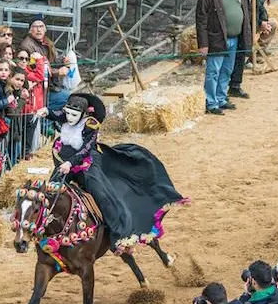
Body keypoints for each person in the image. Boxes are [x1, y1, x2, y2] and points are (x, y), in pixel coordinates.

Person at [36, 94, 186, 254]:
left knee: (103, 197)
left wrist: (70, 163)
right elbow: (58, 114)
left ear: (84, 115)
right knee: (49, 194)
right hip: (63, 165)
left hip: (85, 166)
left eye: (74, 115)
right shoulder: (66, 116)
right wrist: (46, 111)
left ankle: (118, 236)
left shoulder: (90, 125)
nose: (70, 117)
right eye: (68, 113)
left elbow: (86, 148)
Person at [196, 0, 251, 115]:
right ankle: (211, 102)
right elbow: (201, 20)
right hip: (217, 38)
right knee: (213, 71)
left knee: (227, 70)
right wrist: (203, 44)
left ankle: (221, 98)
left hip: (235, 38)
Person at [20, 15, 71, 111]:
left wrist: (63, 60)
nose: (38, 29)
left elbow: (53, 60)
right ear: (30, 30)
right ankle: (45, 119)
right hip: (39, 87)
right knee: (68, 98)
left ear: (45, 29)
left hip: (50, 84)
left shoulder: (47, 42)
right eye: (35, 27)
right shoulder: (27, 45)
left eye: (41, 26)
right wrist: (58, 72)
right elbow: (35, 68)